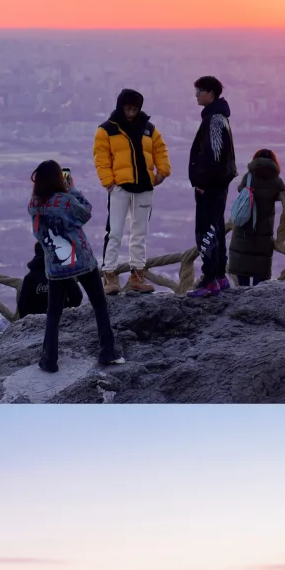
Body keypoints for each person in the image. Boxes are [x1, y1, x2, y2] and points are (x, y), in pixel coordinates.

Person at [28, 161, 122, 373]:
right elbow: (86, 212)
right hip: (81, 260)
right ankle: (108, 350)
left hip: (55, 265)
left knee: (53, 313)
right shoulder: (65, 201)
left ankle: (49, 359)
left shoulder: (33, 204)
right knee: (98, 304)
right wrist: (72, 188)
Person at [93, 88, 171, 296]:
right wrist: (109, 183)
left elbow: (160, 149)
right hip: (119, 187)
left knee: (139, 233)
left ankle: (138, 275)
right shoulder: (107, 130)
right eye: (128, 108)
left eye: (134, 108)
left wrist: (163, 172)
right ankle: (109, 275)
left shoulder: (149, 128)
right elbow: (101, 158)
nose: (131, 112)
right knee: (115, 232)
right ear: (121, 106)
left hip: (144, 187)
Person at [186, 75, 236, 299]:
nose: (196, 95)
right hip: (216, 186)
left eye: (200, 90)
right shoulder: (217, 116)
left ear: (211, 93)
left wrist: (204, 183)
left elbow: (215, 156)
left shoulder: (215, 118)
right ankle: (219, 277)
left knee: (206, 231)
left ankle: (210, 280)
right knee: (216, 229)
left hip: (211, 187)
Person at [228, 149, 285, 286]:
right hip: (263, 234)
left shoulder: (249, 177)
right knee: (260, 279)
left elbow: (240, 190)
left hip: (244, 231)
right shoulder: (276, 181)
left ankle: (242, 303)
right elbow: (283, 193)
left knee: (242, 276)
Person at [16, 242, 82, 318]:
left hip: (37, 324)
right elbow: (77, 296)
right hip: (60, 320)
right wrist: (67, 312)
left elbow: (22, 306)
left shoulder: (29, 278)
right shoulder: (62, 273)